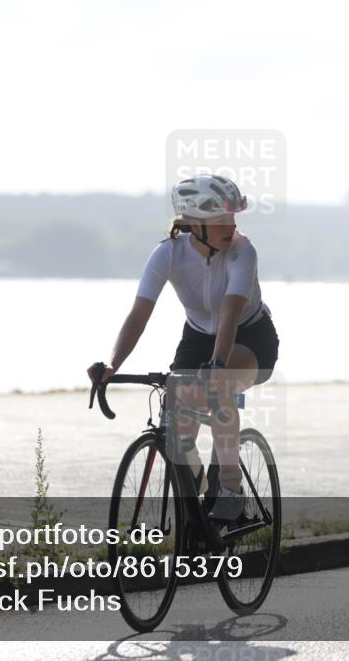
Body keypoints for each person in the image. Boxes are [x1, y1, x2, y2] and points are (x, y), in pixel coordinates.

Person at [88, 174, 279, 521]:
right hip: (197, 336)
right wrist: (113, 364)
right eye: (222, 219)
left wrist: (217, 367)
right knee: (176, 412)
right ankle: (199, 493)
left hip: (249, 336)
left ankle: (231, 489)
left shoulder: (243, 251)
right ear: (194, 224)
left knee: (219, 387)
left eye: (233, 217)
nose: (231, 225)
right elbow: (138, 315)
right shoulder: (167, 254)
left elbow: (231, 312)